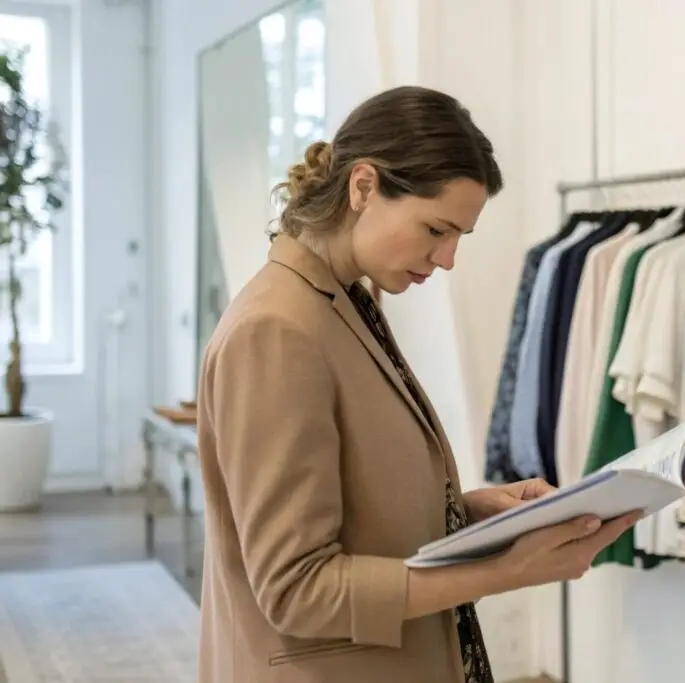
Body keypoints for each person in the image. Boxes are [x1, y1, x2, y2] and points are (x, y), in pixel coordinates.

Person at [194, 85, 640, 683]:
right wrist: (507, 569)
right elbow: (296, 588)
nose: (448, 258)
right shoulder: (277, 329)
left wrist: (472, 513)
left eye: (458, 236)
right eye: (436, 229)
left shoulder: (340, 301)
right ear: (363, 187)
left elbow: (353, 500)